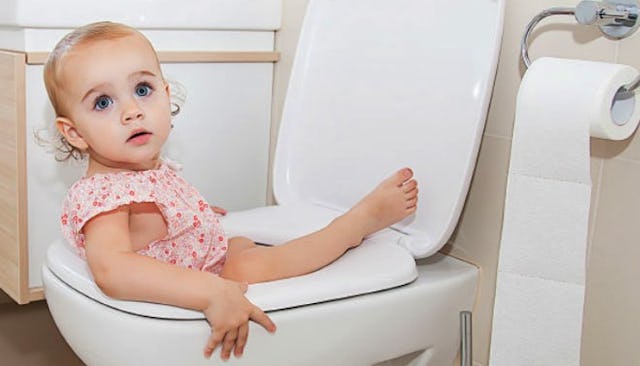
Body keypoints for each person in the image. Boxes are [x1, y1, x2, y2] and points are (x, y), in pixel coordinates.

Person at [44, 21, 419, 361]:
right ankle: (354, 225)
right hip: (204, 274)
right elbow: (113, 269)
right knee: (256, 263)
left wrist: (192, 213)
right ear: (74, 132)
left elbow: (150, 216)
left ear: (165, 92)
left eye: (143, 89)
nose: (132, 111)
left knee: (239, 243)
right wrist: (211, 292)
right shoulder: (104, 197)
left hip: (203, 254)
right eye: (103, 102)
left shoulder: (135, 170)